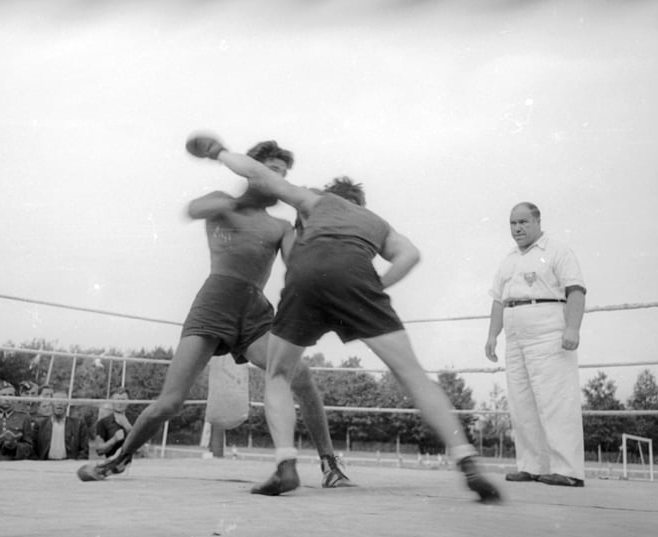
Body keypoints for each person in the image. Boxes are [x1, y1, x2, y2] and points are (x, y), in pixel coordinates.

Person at [184, 134, 501, 502]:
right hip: (357, 275)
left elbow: (259, 175)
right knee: (411, 374)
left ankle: (285, 463)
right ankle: (466, 457)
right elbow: (410, 255)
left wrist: (219, 152)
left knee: (279, 373)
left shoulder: (317, 200)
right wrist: (375, 285)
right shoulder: (377, 222)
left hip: (307, 273)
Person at [77, 140, 352, 488]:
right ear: (251, 170)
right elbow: (193, 209)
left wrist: (318, 231)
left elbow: (299, 266)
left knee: (301, 376)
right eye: (271, 171)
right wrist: (243, 195)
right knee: (170, 402)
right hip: (214, 304)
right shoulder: (224, 204)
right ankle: (119, 460)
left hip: (253, 312)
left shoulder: (281, 227)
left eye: (283, 175)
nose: (278, 180)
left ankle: (330, 465)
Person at [484, 202, 587, 487]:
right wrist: (493, 335)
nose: (517, 228)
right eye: (512, 223)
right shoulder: (508, 259)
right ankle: (532, 466)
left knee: (555, 399)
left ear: (538, 221)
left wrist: (572, 328)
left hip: (548, 330)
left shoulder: (558, 251)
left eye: (523, 222)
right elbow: (498, 299)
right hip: (515, 335)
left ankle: (568, 470)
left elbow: (576, 291)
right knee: (521, 402)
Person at [32, 392, 90, 460]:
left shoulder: (78, 424)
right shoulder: (40, 424)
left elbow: (84, 450)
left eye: (63, 400)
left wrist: (75, 464)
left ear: (67, 404)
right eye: (56, 400)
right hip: (45, 464)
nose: (59, 403)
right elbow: (33, 448)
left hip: (69, 464)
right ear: (51, 403)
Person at [92, 388, 135, 459]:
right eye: (117, 399)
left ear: (129, 401)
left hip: (136, 465)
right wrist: (114, 440)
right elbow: (99, 451)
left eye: (123, 400)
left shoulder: (137, 419)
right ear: (111, 401)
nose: (120, 403)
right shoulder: (103, 422)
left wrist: (128, 427)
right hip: (112, 465)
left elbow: (141, 449)